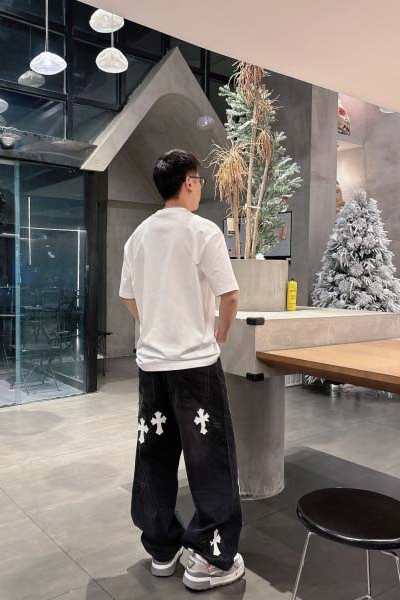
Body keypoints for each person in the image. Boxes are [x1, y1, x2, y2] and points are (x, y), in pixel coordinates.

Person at [119, 149, 244, 591]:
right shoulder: (202, 231)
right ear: (189, 182)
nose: (199, 187)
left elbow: (128, 297)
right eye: (199, 180)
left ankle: (161, 546)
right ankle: (211, 558)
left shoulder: (138, 236)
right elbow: (230, 296)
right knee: (209, 458)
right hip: (195, 366)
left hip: (152, 365)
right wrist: (219, 337)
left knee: (154, 455)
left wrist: (155, 324)